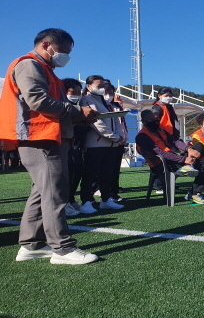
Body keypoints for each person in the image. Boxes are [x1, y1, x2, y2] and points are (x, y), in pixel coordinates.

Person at [0, 28, 99, 264]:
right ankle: (62, 248)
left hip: (46, 136)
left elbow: (53, 105)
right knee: (55, 192)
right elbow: (38, 100)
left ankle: (31, 245)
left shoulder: (45, 68)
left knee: (42, 191)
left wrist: (79, 116)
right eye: (63, 51)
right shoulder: (29, 65)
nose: (64, 57)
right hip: (39, 137)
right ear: (47, 45)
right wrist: (77, 111)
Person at [136, 110, 204, 204]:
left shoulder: (160, 130)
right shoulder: (142, 136)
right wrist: (184, 159)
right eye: (152, 119)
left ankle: (195, 192)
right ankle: (188, 168)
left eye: (156, 119)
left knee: (202, 154)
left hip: (174, 159)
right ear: (144, 121)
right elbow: (160, 153)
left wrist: (188, 149)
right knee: (201, 161)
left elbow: (175, 141)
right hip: (162, 164)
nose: (155, 121)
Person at [79, 76, 125, 213]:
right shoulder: (86, 100)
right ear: (88, 86)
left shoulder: (106, 102)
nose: (102, 88)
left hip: (111, 145)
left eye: (104, 85)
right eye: (99, 85)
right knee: (90, 174)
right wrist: (114, 137)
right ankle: (86, 201)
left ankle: (106, 199)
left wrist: (119, 135)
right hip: (95, 145)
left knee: (107, 173)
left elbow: (115, 119)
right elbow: (96, 123)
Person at [62, 78, 87, 216]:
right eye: (73, 92)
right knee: (66, 175)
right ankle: (63, 203)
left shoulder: (79, 108)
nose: (77, 94)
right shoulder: (61, 106)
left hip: (76, 146)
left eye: (79, 92)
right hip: (63, 146)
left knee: (77, 172)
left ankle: (71, 199)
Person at [105, 83, 128, 202]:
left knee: (115, 169)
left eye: (111, 92)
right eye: (106, 92)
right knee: (106, 169)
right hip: (106, 142)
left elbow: (121, 122)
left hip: (119, 142)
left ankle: (113, 191)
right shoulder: (100, 105)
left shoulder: (116, 105)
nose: (109, 95)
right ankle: (103, 192)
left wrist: (123, 137)